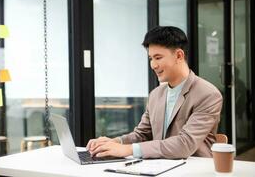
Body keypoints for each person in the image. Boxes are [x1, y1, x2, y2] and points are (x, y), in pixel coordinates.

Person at [86, 26, 223, 159]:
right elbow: (142, 134)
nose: (153, 65)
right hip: (159, 167)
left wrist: (127, 150)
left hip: (194, 169)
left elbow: (185, 144)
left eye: (158, 58)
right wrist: (116, 142)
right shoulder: (156, 94)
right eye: (151, 58)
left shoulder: (208, 94)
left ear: (179, 55)